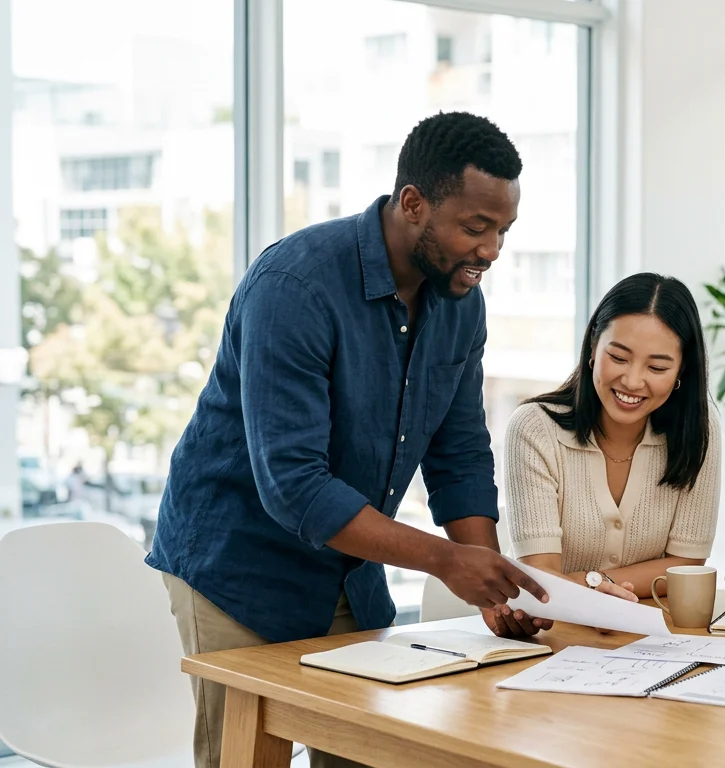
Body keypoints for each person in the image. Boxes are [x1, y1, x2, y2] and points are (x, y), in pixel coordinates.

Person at [146, 112, 550, 768]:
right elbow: (294, 487)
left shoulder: (460, 303)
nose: (491, 251)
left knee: (366, 753)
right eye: (476, 228)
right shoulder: (294, 286)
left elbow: (459, 452)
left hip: (347, 567)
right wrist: (449, 564)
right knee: (247, 756)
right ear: (413, 204)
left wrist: (492, 586)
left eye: (502, 231)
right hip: (238, 565)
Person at [506, 273, 720, 600]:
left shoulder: (699, 427)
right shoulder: (535, 429)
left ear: (682, 370)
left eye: (657, 368)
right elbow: (541, 580)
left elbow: (686, 565)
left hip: (651, 635)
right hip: (556, 633)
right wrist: (600, 588)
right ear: (593, 347)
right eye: (618, 358)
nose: (633, 381)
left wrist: (589, 582)